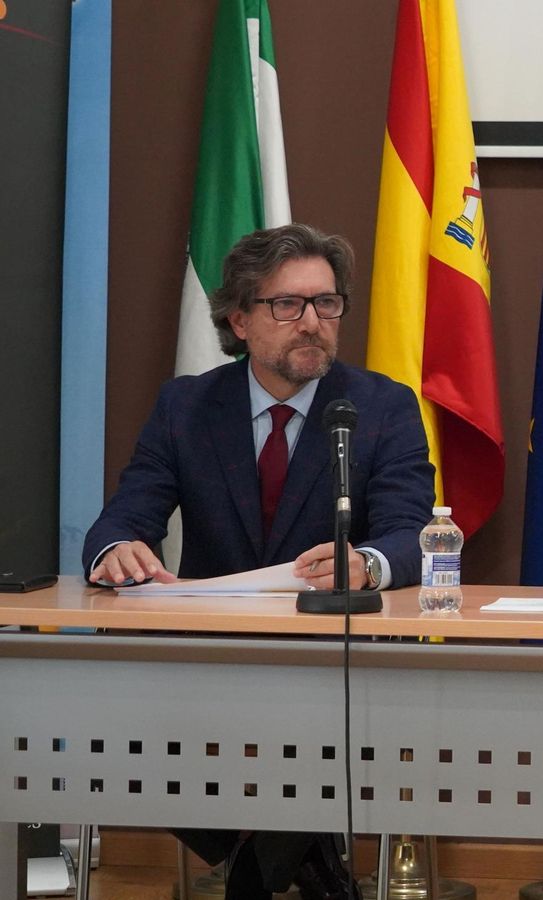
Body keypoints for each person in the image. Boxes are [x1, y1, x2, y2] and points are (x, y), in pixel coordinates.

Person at [82, 223, 435, 900]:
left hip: (338, 666)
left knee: (332, 736)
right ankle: (305, 862)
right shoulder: (187, 407)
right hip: (212, 668)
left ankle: (258, 872)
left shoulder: (380, 407)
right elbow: (125, 516)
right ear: (240, 319)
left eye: (327, 304)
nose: (313, 323)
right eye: (288, 305)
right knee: (125, 727)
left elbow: (412, 533)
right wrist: (118, 549)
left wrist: (364, 562)